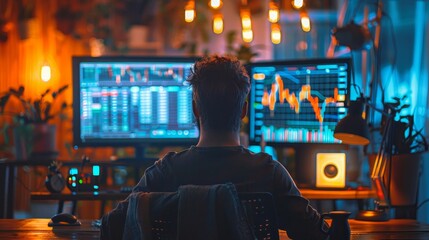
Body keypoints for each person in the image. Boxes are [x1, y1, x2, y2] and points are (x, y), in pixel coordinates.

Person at [101, 55, 329, 239]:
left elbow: (112, 225)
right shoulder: (269, 172)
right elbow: (315, 233)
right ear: (243, 111)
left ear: (195, 110)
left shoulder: (164, 172)